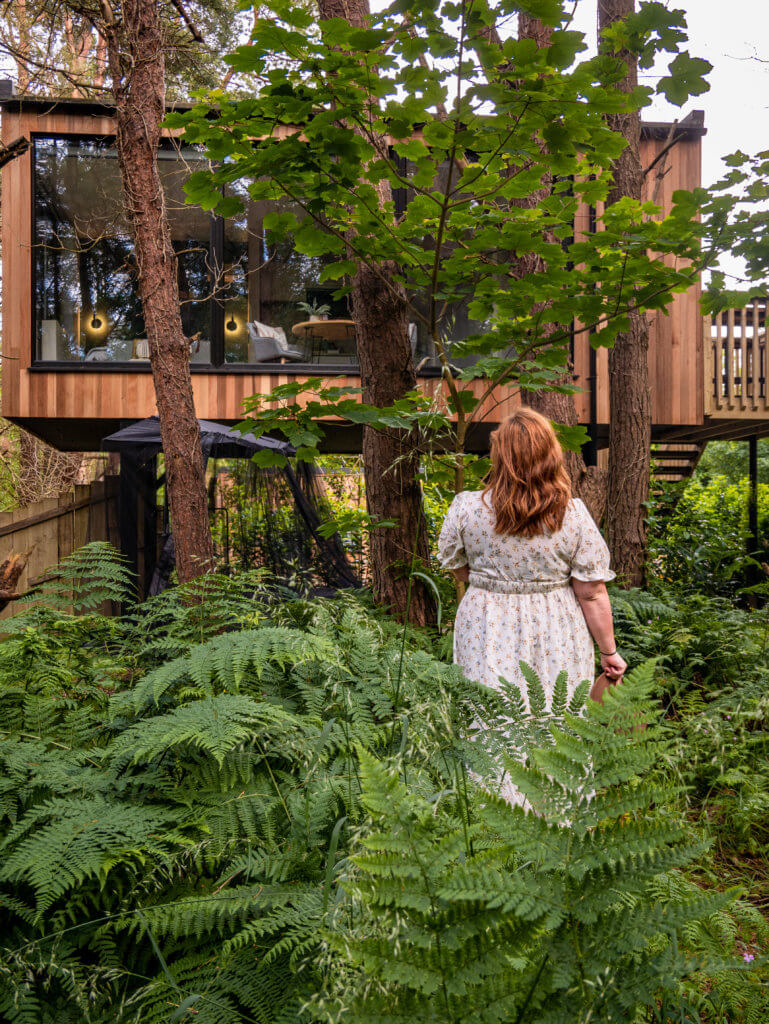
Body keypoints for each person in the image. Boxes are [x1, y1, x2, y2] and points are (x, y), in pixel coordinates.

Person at [437, 407, 626, 803]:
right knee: (557, 714)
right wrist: (610, 652)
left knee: (491, 715)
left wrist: (496, 586)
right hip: (557, 622)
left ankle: (491, 813)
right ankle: (556, 811)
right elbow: (591, 592)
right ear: (551, 454)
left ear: (499, 455)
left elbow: (456, 567)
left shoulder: (467, 507)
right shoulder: (572, 514)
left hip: (486, 621)